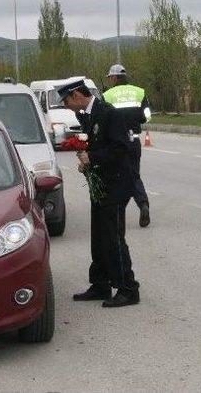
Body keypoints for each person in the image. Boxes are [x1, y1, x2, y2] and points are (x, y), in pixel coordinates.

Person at [57, 79, 140, 307]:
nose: (66, 106)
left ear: (75, 95)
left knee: (113, 237)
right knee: (99, 236)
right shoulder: (88, 115)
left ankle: (128, 288)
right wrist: (86, 159)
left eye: (66, 101)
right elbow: (94, 144)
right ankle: (101, 283)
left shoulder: (108, 113)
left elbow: (121, 148)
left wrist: (91, 157)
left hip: (115, 184)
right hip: (101, 184)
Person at [103, 64, 152, 228]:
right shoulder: (140, 92)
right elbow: (146, 116)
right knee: (134, 175)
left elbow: (104, 121)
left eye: (110, 77)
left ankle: (115, 215)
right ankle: (143, 203)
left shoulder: (107, 95)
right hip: (134, 140)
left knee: (116, 177)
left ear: (115, 78)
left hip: (117, 142)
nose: (110, 80)